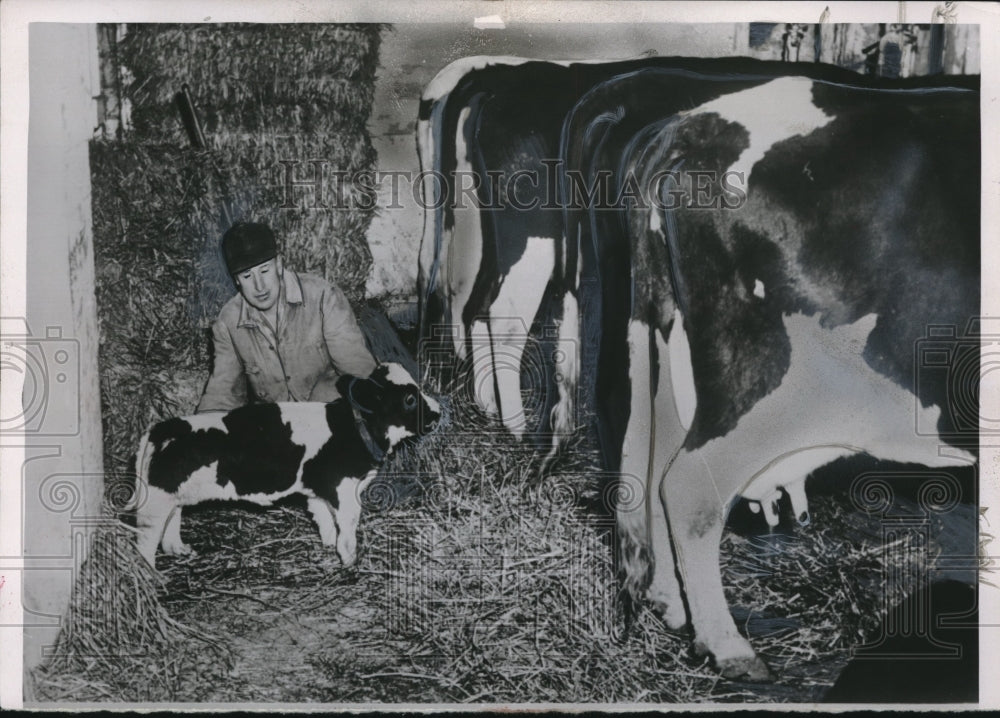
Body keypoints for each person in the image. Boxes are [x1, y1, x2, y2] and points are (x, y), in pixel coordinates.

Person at [197, 222, 377, 412]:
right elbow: (222, 394)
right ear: (236, 280)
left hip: (331, 416)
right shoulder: (228, 322)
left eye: (265, 270)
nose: (260, 286)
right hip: (277, 430)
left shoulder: (323, 297)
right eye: (247, 276)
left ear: (279, 264)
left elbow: (359, 372)